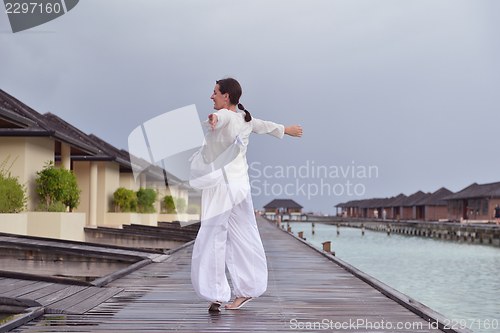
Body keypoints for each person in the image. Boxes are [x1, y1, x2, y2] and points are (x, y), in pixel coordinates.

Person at [190, 78, 303, 312]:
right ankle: (247, 291)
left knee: (213, 236)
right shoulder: (246, 119)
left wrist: (214, 119)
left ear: (226, 96)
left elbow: (222, 118)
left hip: (223, 186)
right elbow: (266, 125)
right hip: (241, 187)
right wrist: (287, 130)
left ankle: (216, 293)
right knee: (244, 235)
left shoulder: (227, 116)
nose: (211, 97)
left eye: (214, 93)